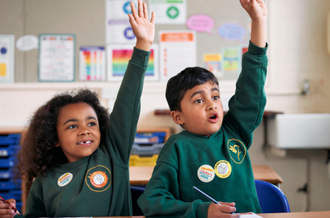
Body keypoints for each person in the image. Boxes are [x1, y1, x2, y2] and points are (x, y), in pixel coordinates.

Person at [0, 1, 155, 217]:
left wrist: (143, 45)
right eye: (72, 126)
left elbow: (128, 102)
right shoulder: (43, 183)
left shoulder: (112, 154)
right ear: (54, 138)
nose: (85, 130)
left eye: (92, 123)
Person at [138, 0, 267, 218]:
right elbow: (152, 201)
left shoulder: (234, 130)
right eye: (198, 100)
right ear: (178, 117)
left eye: (215, 96)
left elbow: (251, 88)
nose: (211, 104)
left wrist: (258, 21)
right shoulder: (177, 147)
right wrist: (201, 210)